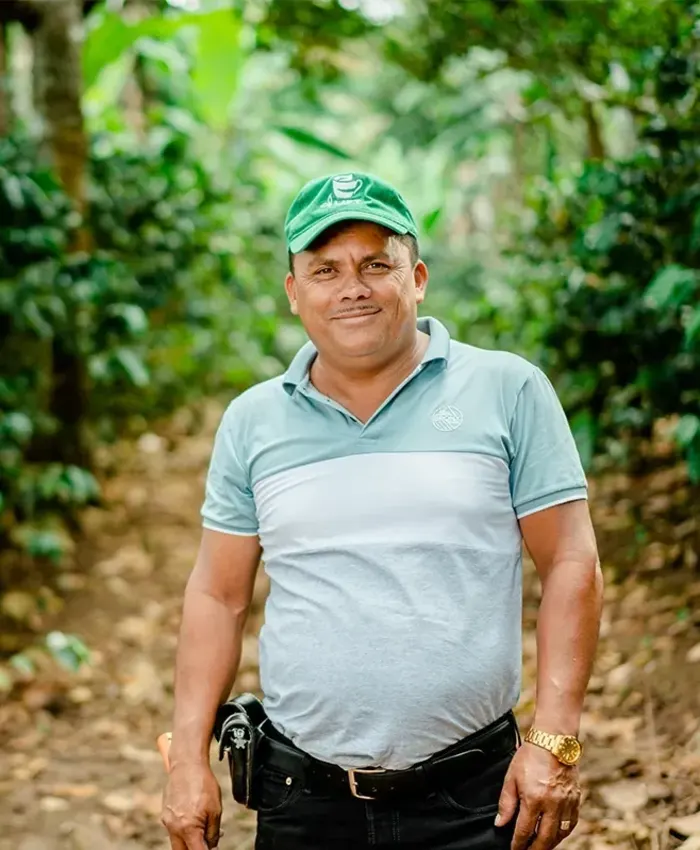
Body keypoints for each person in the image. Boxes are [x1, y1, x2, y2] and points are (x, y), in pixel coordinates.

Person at [161, 172, 604, 850]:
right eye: (325, 269)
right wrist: (189, 759)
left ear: (418, 276)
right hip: (301, 799)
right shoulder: (253, 421)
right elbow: (218, 596)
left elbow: (571, 562)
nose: (353, 287)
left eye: (376, 264)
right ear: (293, 292)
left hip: (475, 797)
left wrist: (554, 742)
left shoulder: (507, 389)